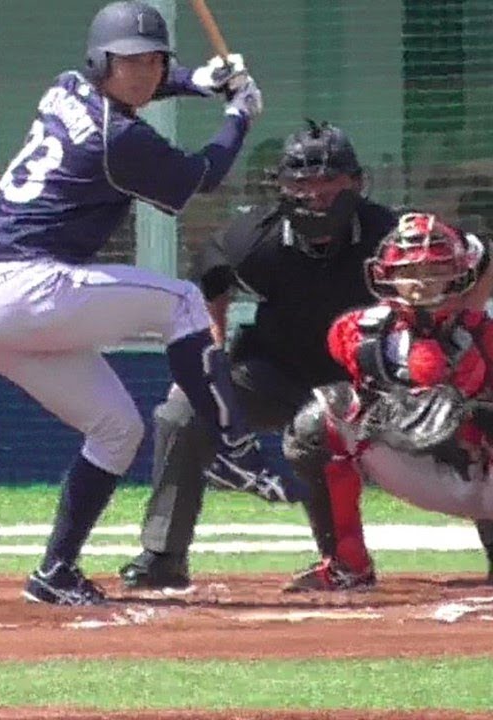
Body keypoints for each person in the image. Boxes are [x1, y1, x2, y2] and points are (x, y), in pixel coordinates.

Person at [0, 0, 298, 608]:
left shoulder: (67, 85)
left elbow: (143, 88)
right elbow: (201, 176)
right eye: (129, 62)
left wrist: (198, 80)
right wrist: (238, 115)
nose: (144, 73)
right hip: (27, 287)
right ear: (101, 62)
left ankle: (55, 571)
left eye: (155, 61)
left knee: (117, 430)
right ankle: (233, 450)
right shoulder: (120, 140)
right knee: (184, 302)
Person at [117, 121, 400, 591]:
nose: (316, 195)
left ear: (356, 182)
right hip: (275, 374)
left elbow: (471, 267)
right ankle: (163, 555)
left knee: (470, 413)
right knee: (183, 411)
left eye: (329, 181)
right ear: (281, 187)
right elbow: (208, 288)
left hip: (367, 387)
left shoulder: (388, 234)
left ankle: (343, 560)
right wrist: (205, 365)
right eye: (302, 183)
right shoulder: (254, 237)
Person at [286, 212, 493, 586]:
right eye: (408, 271)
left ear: (459, 273)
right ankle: (348, 564)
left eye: (435, 270)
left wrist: (475, 412)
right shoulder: (358, 332)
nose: (421, 282)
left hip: (478, 471)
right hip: (412, 466)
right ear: (385, 275)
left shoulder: (484, 334)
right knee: (320, 418)